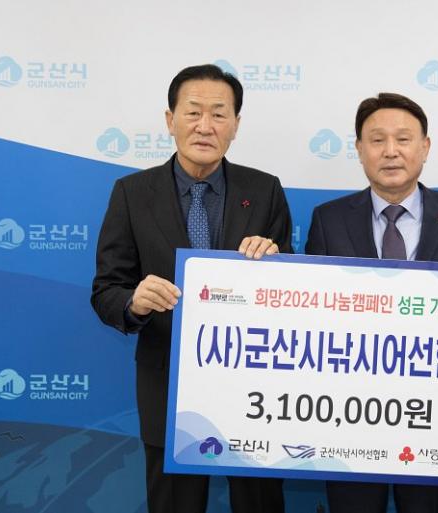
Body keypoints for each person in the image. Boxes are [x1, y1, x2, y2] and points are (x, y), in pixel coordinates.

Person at [91, 64, 291, 513]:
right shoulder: (131, 193)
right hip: (168, 384)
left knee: (259, 502)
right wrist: (134, 302)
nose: (205, 126)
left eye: (219, 114)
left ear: (236, 125)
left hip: (253, 388)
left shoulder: (264, 190)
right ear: (170, 120)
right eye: (193, 112)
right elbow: (106, 290)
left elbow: (292, 290)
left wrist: (276, 264)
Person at [305, 92, 438, 513]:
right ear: (359, 149)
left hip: (434, 414)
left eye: (403, 139)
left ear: (425, 147)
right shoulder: (328, 219)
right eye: (377, 140)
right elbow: (310, 311)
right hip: (350, 415)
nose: (390, 151)